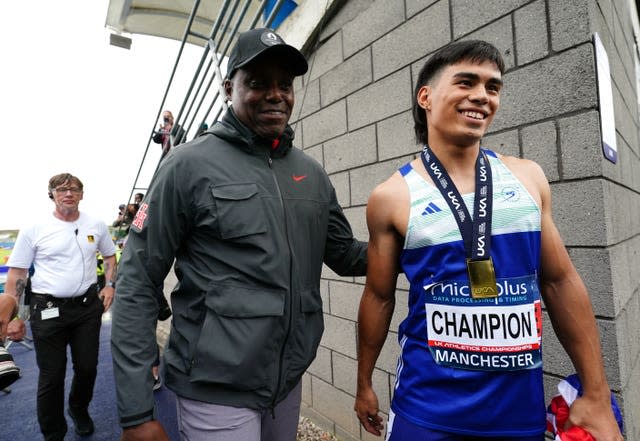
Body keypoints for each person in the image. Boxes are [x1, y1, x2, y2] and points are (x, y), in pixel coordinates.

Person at [354, 40, 624, 441]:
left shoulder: (528, 178)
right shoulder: (391, 197)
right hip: (426, 411)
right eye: (466, 82)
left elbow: (560, 282)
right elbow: (378, 296)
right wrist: (363, 385)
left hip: (517, 414)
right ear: (425, 97)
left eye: (493, 87)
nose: (482, 96)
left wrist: (597, 394)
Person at [111, 27, 367, 441]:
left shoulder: (312, 175)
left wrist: (421, 242)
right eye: (258, 83)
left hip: (286, 382)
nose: (275, 94)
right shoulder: (186, 166)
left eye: (284, 84)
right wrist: (137, 412)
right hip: (215, 388)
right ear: (229, 87)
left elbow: (346, 255)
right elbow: (137, 281)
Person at [1, 173, 117, 440]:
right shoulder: (34, 228)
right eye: (62, 189)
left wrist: (109, 284)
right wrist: (14, 316)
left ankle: (78, 408)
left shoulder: (96, 225)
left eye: (75, 189)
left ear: (82, 195)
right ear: (51, 193)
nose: (69, 193)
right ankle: (54, 433)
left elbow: (110, 256)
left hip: (87, 309)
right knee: (52, 376)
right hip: (47, 310)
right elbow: (17, 274)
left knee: (87, 367)